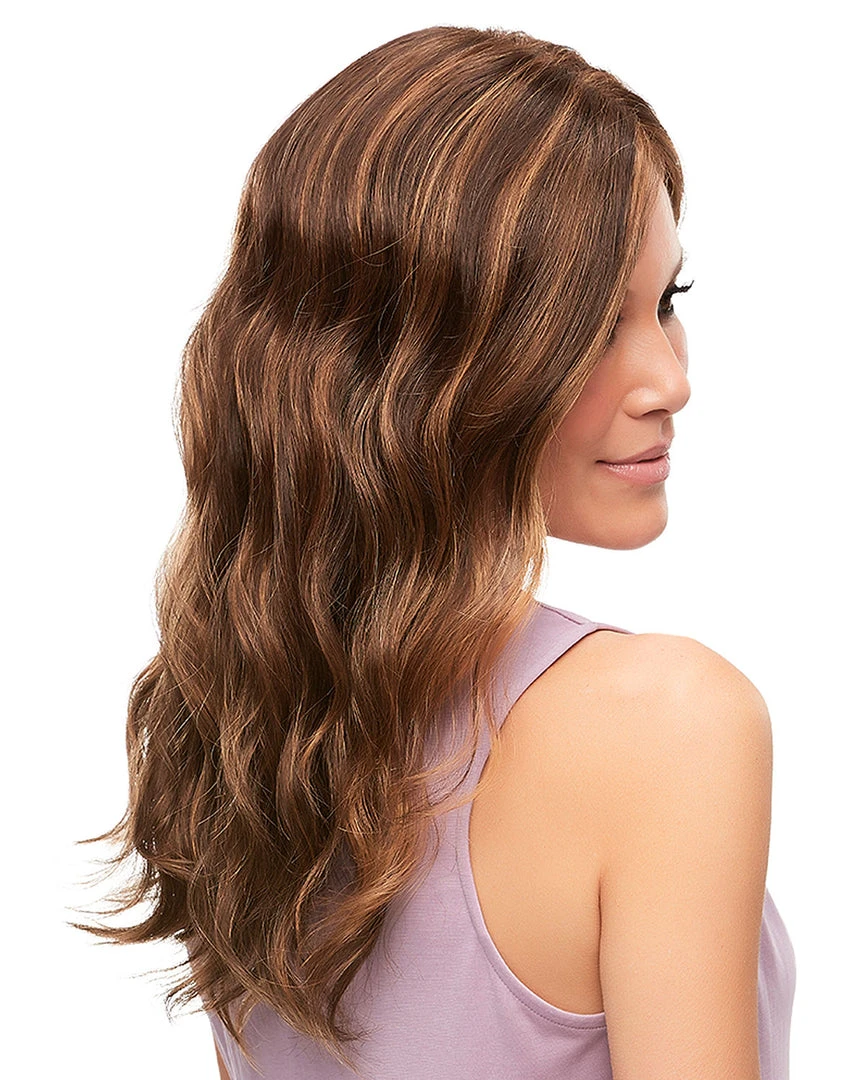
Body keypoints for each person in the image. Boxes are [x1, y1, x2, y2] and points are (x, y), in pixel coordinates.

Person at [74, 24, 796, 1079]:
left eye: (666, 305)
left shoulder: (244, 719)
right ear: (418, 366)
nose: (670, 380)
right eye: (593, 325)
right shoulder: (668, 722)